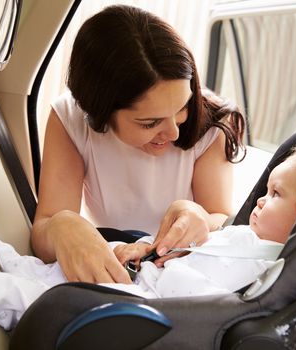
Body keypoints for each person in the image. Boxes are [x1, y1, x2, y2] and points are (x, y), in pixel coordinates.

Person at [0, 140, 296, 330]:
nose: (258, 201)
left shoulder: (263, 264)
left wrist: (168, 268)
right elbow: (205, 246)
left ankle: (16, 300)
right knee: (102, 252)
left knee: (91, 293)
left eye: (275, 196)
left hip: (160, 301)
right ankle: (26, 270)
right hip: (155, 275)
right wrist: (155, 250)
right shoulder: (249, 239)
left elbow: (212, 299)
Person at [32, 5, 246, 285]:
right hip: (119, 256)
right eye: (150, 123)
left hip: (181, 267)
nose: (172, 132)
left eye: (181, 107)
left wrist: (201, 219)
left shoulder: (212, 123)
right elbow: (45, 226)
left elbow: (221, 217)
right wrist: (63, 226)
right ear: (101, 112)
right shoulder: (70, 119)